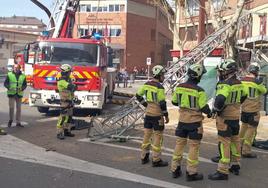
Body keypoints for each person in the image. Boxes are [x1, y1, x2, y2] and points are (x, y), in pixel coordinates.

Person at [170, 64, 211, 181]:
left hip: (182, 122)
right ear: (197, 76)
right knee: (194, 147)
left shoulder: (179, 87)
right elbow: (203, 107)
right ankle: (191, 173)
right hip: (195, 123)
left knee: (179, 145)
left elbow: (174, 102)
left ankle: (175, 170)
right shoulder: (200, 90)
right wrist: (209, 113)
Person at [208, 59, 247, 180]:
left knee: (224, 142)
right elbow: (244, 95)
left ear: (228, 71)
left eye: (222, 71)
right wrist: (236, 105)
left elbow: (220, 99)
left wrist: (216, 110)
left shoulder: (225, 84)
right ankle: (236, 164)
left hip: (224, 118)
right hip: (235, 117)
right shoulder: (239, 83)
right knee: (235, 141)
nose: (220, 73)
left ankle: (222, 170)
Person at [136, 65, 169, 167]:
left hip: (148, 113)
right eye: (162, 75)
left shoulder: (146, 84)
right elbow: (162, 103)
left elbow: (138, 95)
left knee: (147, 135)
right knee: (158, 137)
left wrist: (146, 105)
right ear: (159, 75)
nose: (163, 77)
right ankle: (156, 159)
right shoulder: (160, 87)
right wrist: (166, 115)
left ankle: (144, 157)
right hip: (157, 114)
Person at [239, 62, 267, 158]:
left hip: (244, 109)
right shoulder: (257, 82)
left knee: (243, 128)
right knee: (251, 131)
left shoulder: (242, 80)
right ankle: (246, 151)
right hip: (253, 111)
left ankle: (238, 147)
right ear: (256, 71)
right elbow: (264, 91)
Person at [56, 64, 77, 140]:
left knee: (69, 117)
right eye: (69, 72)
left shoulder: (68, 80)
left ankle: (66, 130)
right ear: (65, 72)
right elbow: (71, 87)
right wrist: (73, 86)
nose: (70, 73)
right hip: (64, 102)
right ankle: (59, 132)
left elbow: (73, 89)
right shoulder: (61, 81)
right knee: (63, 117)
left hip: (70, 101)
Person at [4, 64, 27, 128]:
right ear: (13, 68)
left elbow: (25, 85)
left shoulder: (23, 76)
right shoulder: (9, 74)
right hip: (11, 94)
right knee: (11, 108)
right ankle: (10, 120)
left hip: (19, 94)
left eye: (17, 67)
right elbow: (5, 83)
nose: (16, 69)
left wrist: (22, 88)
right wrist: (9, 87)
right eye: (15, 67)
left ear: (20, 68)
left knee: (19, 109)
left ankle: (18, 122)